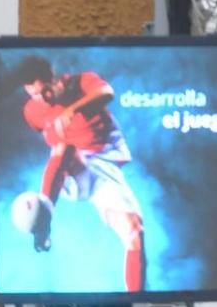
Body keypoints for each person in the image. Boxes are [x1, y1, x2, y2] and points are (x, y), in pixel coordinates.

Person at [11, 54, 146, 289]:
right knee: (63, 148)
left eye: (45, 92)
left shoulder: (82, 82)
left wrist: (72, 110)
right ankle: (44, 218)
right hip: (75, 171)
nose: (43, 100)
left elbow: (106, 92)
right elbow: (52, 144)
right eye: (34, 95)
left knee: (134, 232)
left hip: (104, 165)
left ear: (56, 79)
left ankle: (136, 296)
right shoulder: (33, 111)